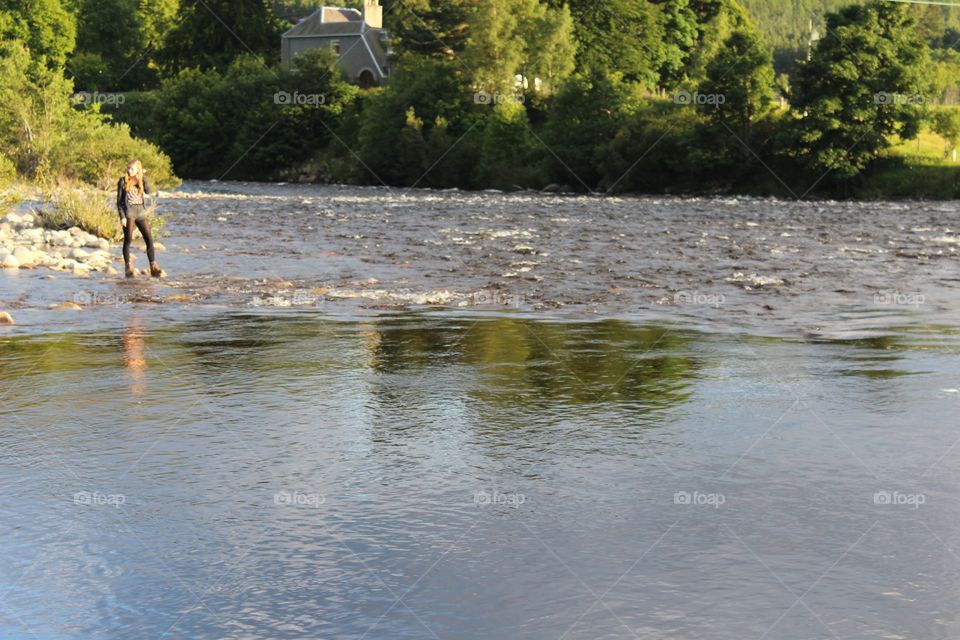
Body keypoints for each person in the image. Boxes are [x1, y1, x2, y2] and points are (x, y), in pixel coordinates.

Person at [116, 159, 162, 278]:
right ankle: (128, 266)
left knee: (149, 238)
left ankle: (153, 265)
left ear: (137, 169)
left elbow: (148, 191)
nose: (129, 170)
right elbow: (119, 202)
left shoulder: (141, 180)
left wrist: (142, 178)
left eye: (132, 168)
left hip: (141, 212)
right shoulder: (122, 181)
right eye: (128, 168)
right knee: (128, 239)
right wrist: (122, 217)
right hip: (129, 212)